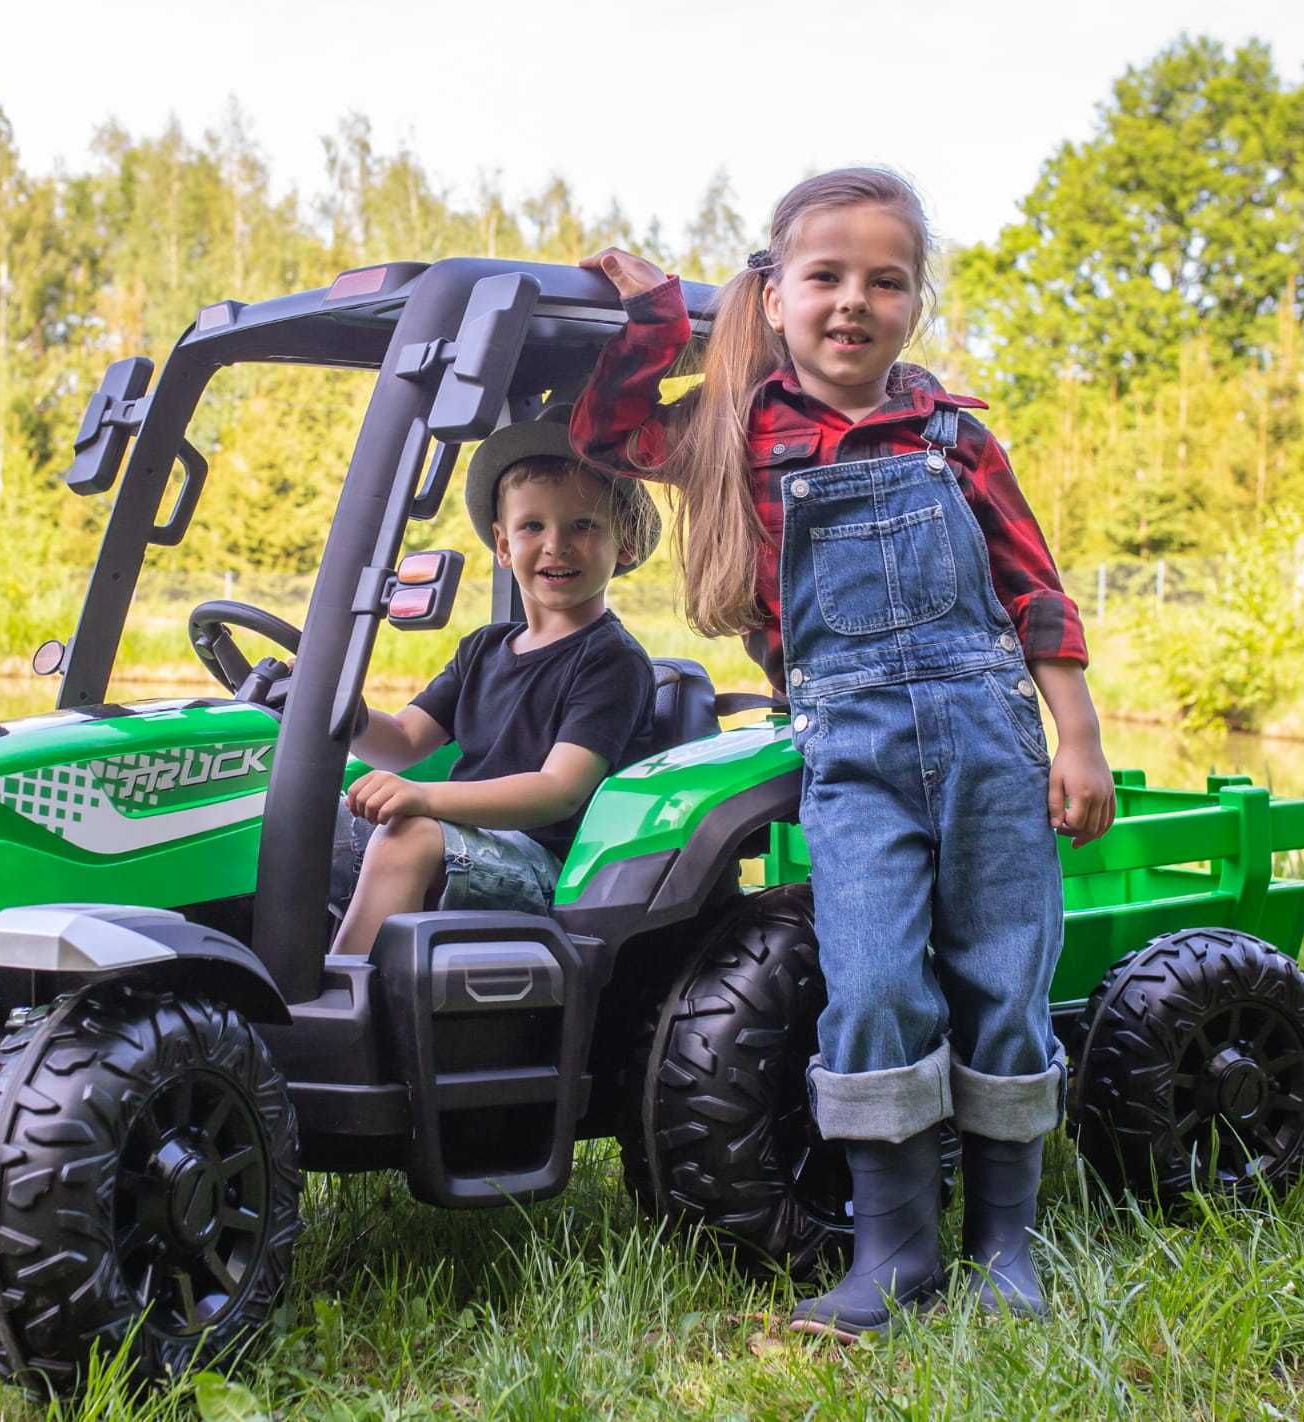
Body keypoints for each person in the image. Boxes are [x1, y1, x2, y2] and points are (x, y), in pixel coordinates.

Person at [573, 168, 1116, 1339]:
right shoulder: (735, 433)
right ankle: (893, 1255)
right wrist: (655, 320)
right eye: (824, 277)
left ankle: (1005, 1248)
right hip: (849, 745)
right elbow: (609, 434)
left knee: (999, 978)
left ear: (913, 302)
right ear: (773, 296)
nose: (851, 303)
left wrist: (1077, 741)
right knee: (870, 983)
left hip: (987, 739)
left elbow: (1034, 594)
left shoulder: (954, 435)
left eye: (885, 280)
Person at [329, 406, 663, 958]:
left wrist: (425, 798)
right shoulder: (484, 649)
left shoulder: (611, 661)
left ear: (623, 543)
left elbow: (559, 791)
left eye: (584, 525)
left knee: (408, 837)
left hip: (551, 869)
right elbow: (403, 743)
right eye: (533, 526)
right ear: (503, 544)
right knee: (319, 818)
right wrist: (346, 711)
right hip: (467, 842)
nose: (556, 545)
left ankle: (341, 1001)